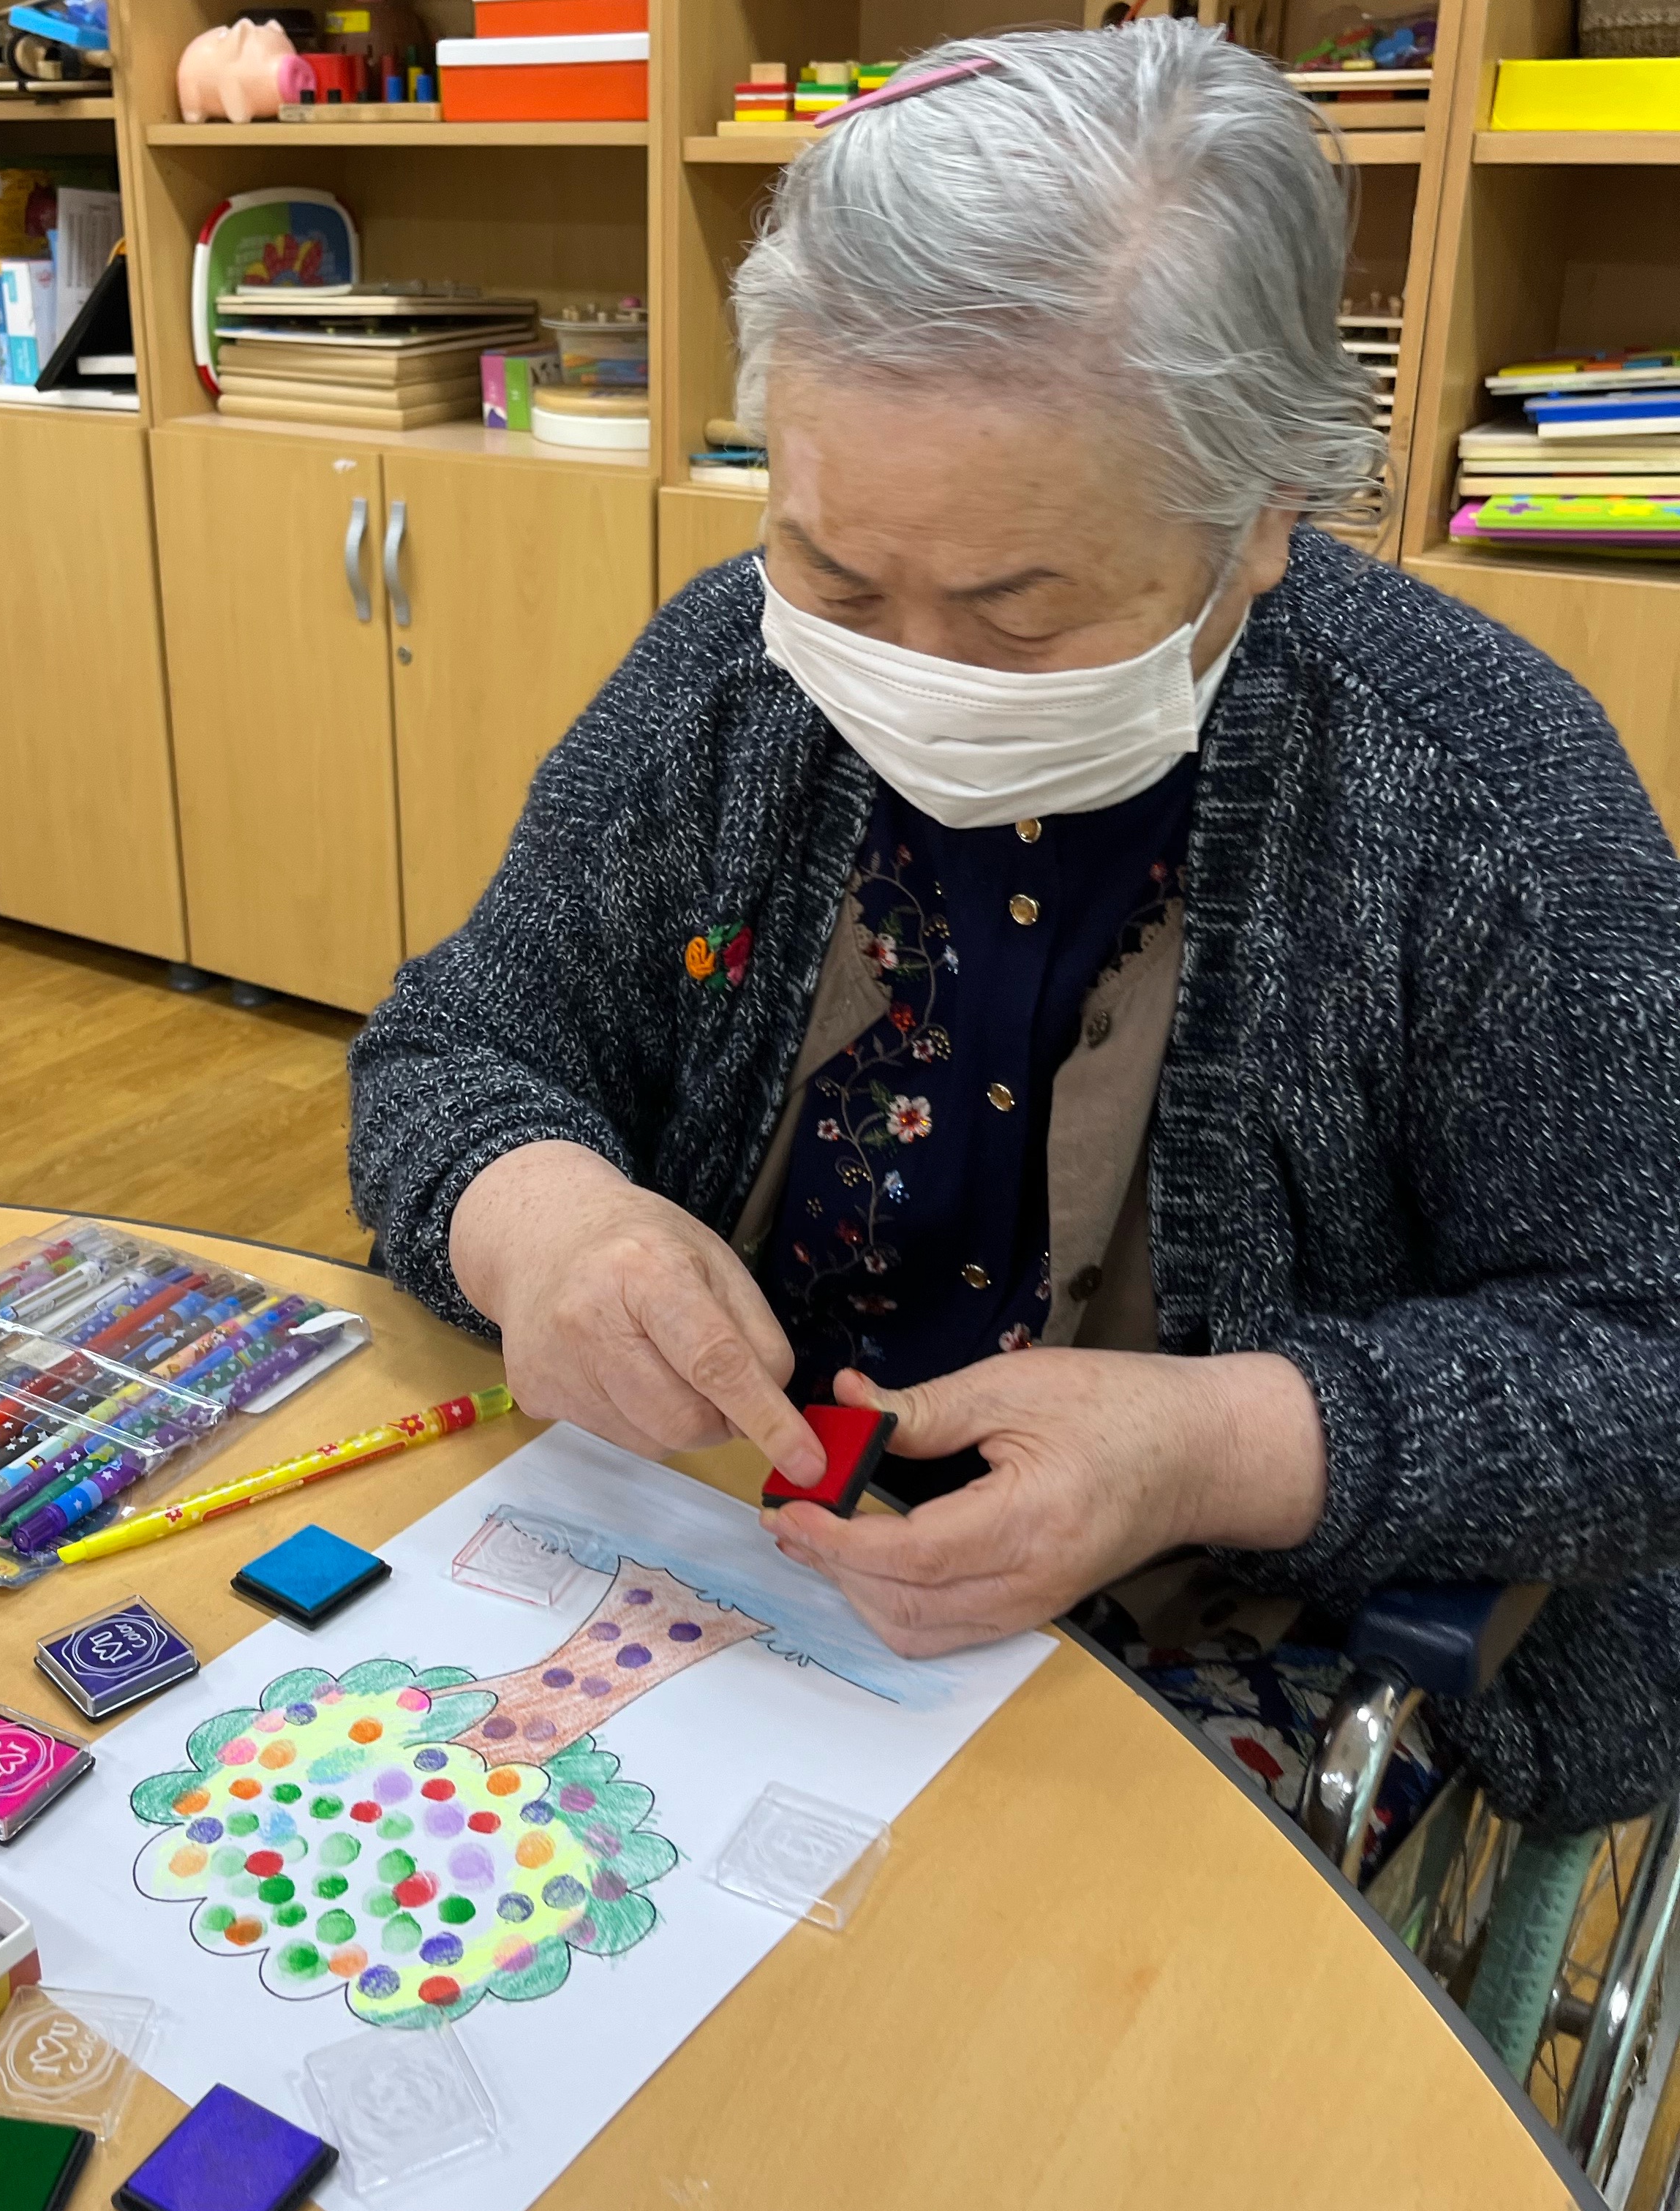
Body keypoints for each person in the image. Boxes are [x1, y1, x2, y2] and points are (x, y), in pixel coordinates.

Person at [348, 21, 1680, 1835]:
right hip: (719, 1529)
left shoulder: (1477, 786)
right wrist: (547, 1226)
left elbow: (1645, 1360)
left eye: (1022, 612)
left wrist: (1215, 1445)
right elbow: (456, 1044)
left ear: (1264, 515)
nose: (910, 668)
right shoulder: (727, 679)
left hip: (1230, 1626)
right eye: (835, 577)